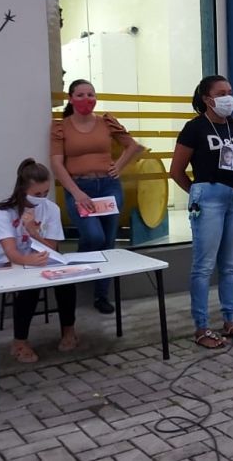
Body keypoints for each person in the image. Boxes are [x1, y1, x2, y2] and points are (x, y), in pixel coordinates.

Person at [171, 76, 233, 348]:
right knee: (204, 266)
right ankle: (201, 327)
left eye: (230, 91)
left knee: (230, 265)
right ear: (207, 99)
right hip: (209, 196)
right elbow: (176, 171)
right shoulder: (194, 127)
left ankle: (230, 320)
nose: (228, 97)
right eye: (221, 93)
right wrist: (198, 193)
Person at [50, 79, 144, 314]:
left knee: (108, 241)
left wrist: (118, 166)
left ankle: (101, 295)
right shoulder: (61, 127)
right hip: (79, 188)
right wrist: (76, 192)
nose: (86, 99)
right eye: (80, 95)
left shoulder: (106, 122)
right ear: (71, 98)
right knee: (93, 236)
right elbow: (57, 164)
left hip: (108, 187)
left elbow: (133, 146)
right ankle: (76, 268)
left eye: (90, 94)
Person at [0, 159, 77, 363]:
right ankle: (19, 342)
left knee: (66, 281)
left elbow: (53, 247)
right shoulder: (3, 212)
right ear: (23, 189)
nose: (42, 198)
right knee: (30, 287)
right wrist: (28, 260)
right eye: (37, 194)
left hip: (43, 260)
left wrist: (33, 232)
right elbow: (11, 252)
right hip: (13, 263)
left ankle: (69, 331)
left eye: (46, 192)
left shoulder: (51, 209)